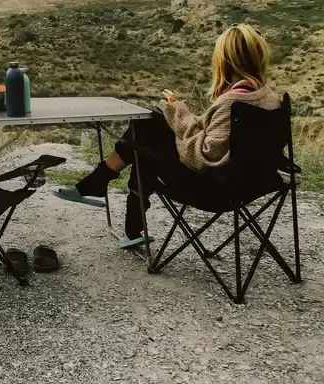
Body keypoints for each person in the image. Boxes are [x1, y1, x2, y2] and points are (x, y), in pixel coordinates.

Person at [55, 23, 282, 247]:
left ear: (225, 60)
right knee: (150, 128)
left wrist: (178, 113)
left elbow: (205, 157)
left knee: (144, 138)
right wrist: (178, 113)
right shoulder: (269, 99)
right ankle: (124, 218)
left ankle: (102, 185)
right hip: (253, 183)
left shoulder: (233, 102)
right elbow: (220, 137)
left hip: (216, 190)